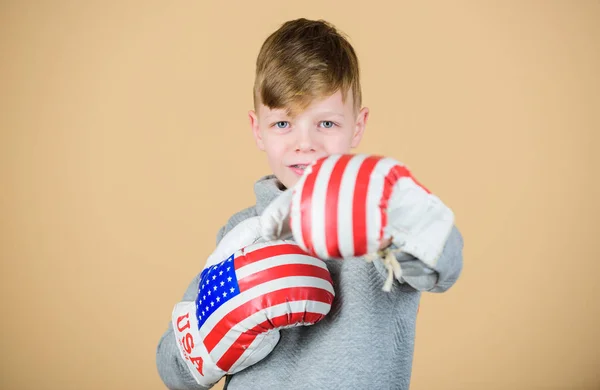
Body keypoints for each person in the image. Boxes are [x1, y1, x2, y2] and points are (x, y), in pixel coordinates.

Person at [156, 18, 464, 390]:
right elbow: (173, 371)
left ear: (357, 125)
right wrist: (212, 333)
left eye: (327, 124)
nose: (305, 143)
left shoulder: (378, 218)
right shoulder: (241, 231)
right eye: (284, 124)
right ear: (258, 130)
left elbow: (445, 265)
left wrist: (396, 219)